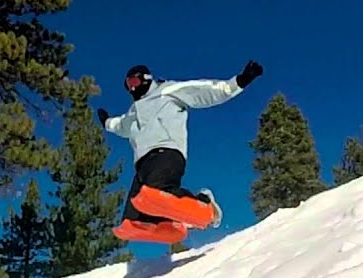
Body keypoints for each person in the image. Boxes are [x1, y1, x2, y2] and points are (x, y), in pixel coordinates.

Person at [97, 60, 263, 245]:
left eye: (134, 82)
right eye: (128, 86)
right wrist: (106, 122)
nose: (132, 88)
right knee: (134, 213)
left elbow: (203, 90)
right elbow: (120, 125)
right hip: (142, 164)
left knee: (154, 191)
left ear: (146, 79)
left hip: (166, 153)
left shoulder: (168, 91)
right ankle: (167, 225)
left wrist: (238, 82)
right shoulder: (133, 112)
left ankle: (206, 205)